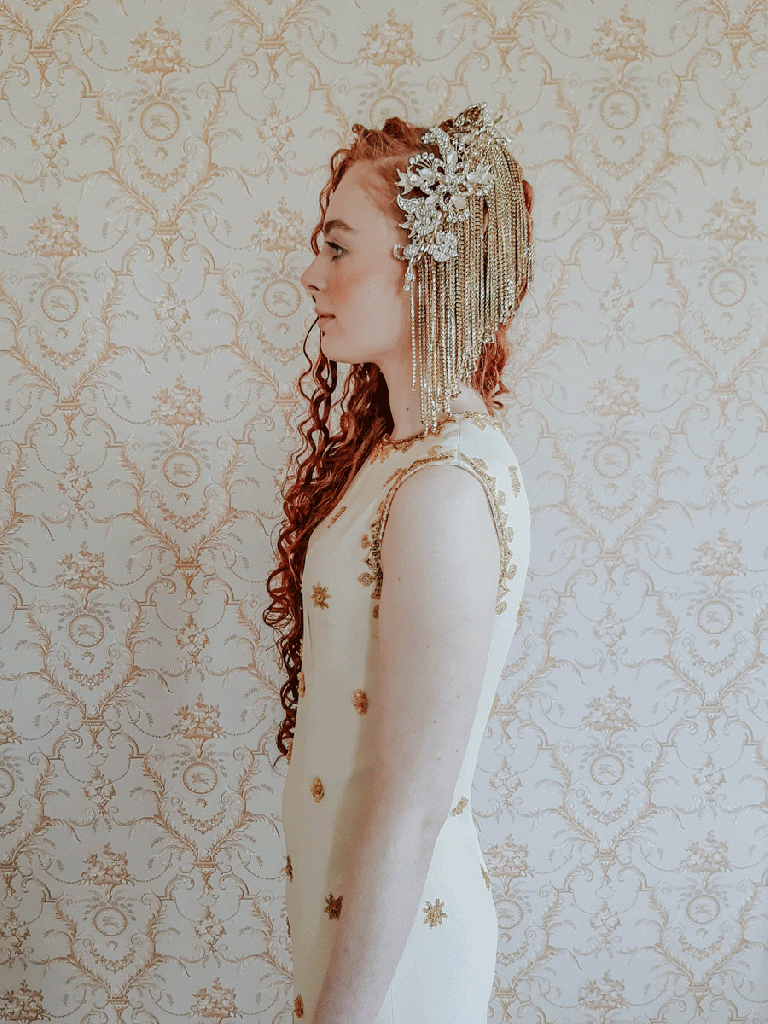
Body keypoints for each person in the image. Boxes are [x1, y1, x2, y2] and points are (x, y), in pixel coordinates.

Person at [263, 104, 534, 1024]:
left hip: (401, 952)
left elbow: (411, 806)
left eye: (339, 247)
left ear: (425, 270)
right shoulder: (398, 457)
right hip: (353, 922)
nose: (313, 273)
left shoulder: (444, 491)